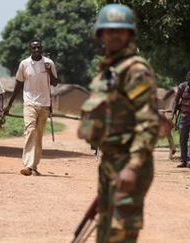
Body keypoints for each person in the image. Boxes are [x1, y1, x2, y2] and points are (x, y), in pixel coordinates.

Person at [77, 4, 159, 242]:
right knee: (105, 232)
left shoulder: (135, 70)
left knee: (119, 234)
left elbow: (149, 121)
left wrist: (133, 166)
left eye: (120, 30)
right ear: (101, 34)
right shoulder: (109, 69)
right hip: (110, 161)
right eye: (109, 30)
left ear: (129, 34)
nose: (114, 34)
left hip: (129, 161)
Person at [4, 39, 60, 176]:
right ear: (30, 50)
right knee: (30, 131)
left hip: (44, 104)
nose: (36, 50)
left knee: (39, 135)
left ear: (42, 49)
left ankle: (34, 165)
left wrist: (49, 71)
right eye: (34, 48)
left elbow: (55, 83)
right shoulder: (24, 64)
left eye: (39, 48)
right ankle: (28, 165)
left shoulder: (49, 63)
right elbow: (18, 84)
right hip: (29, 103)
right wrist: (9, 104)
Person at [173, 70, 190, 168]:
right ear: (186, 79)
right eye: (189, 79)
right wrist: (173, 113)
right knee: (182, 138)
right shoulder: (182, 87)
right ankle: (184, 160)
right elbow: (176, 100)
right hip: (185, 116)